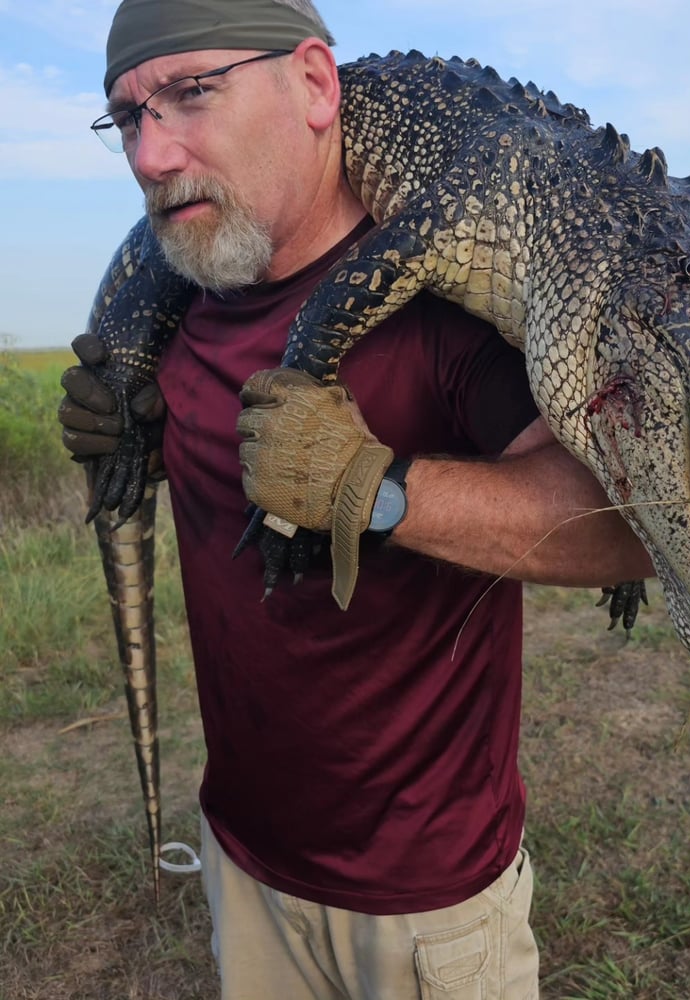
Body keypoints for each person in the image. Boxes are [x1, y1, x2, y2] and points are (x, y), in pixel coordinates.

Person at [58, 1, 654, 997]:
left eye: (192, 94)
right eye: (128, 119)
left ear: (316, 86)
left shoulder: (445, 300)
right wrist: (132, 439)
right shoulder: (183, 304)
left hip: (427, 904)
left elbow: (620, 531)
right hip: (243, 860)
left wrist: (377, 491)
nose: (154, 154)